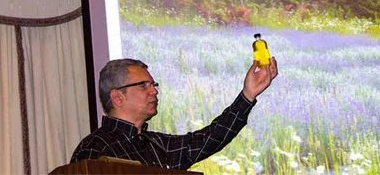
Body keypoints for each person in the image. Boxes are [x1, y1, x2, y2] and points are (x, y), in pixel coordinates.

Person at [70, 57, 278, 170]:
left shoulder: (156, 144)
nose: (154, 90)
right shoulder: (95, 147)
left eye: (154, 84)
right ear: (118, 97)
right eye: (144, 85)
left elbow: (209, 138)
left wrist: (248, 94)